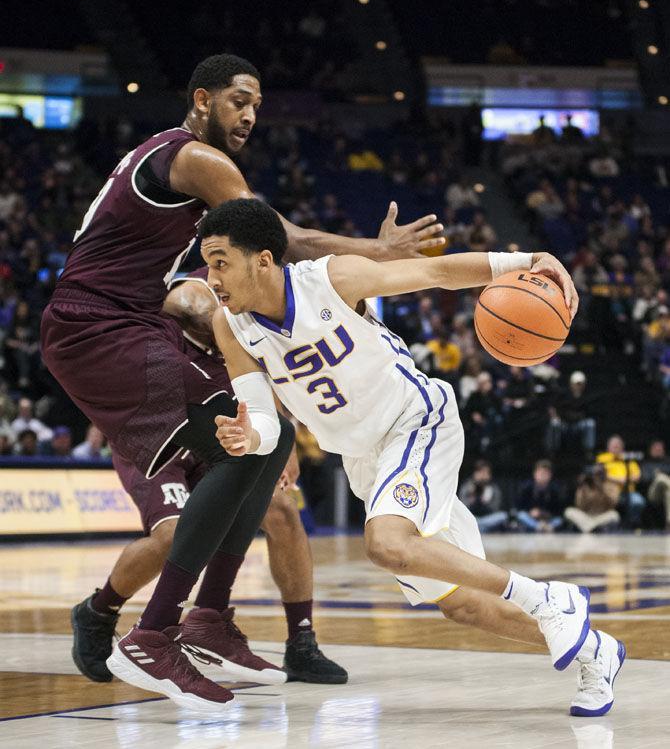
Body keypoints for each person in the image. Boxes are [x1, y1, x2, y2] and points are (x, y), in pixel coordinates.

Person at [41, 54, 442, 715]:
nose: (251, 114)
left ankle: (206, 620)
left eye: (257, 104)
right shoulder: (196, 158)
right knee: (245, 444)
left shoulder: (178, 168)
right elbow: (278, 237)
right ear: (202, 99)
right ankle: (154, 632)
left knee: (266, 436)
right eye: (239, 100)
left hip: (123, 325)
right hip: (99, 327)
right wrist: (377, 254)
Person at [203, 197, 625, 718]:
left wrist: (526, 260)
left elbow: (435, 271)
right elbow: (264, 417)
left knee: (386, 542)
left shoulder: (329, 279)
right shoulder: (230, 325)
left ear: (262, 260)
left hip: (417, 420)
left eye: (221, 262)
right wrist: (252, 437)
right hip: (364, 460)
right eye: (207, 264)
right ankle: (595, 651)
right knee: (462, 603)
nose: (212, 277)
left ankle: (548, 598)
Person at [71, 274, 346, 686]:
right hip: (158, 439)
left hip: (219, 437)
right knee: (174, 535)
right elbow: (189, 303)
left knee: (283, 511)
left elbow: (265, 382)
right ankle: (99, 610)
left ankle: (300, 641)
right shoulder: (193, 293)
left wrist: (283, 441)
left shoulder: (248, 321)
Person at [596, 435, 645, 528]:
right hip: (609, 492)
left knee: (638, 502)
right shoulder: (602, 459)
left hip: (629, 492)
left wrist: (622, 480)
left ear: (622, 447)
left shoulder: (629, 460)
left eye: (618, 445)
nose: (616, 447)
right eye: (613, 445)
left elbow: (637, 477)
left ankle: (630, 526)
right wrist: (619, 479)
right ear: (608, 447)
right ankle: (606, 526)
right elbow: (600, 476)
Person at [564, 466, 620, 534]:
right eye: (595, 474)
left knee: (614, 514)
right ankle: (592, 528)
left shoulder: (611, 485)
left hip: (602, 516)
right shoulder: (585, 485)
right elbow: (579, 506)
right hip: (587, 516)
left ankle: (588, 528)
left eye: (599, 474)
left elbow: (613, 504)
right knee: (569, 511)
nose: (596, 477)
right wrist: (582, 487)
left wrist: (602, 489)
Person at [458, 460, 508, 533]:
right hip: (472, 518)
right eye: (480, 472)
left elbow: (495, 508)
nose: (482, 475)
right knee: (460, 518)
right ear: (474, 473)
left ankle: (478, 528)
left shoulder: (493, 488)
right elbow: (462, 507)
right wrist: (472, 498)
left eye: (485, 472)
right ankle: (481, 529)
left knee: (503, 516)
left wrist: (484, 502)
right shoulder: (467, 486)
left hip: (487, 518)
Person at [516, 460, 565, 533]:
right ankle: (538, 527)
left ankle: (549, 527)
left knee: (559, 520)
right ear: (534, 474)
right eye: (540, 473)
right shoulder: (526, 488)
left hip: (549, 518)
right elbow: (519, 507)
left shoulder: (556, 490)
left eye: (545, 473)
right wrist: (530, 512)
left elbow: (559, 510)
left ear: (550, 475)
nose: (542, 475)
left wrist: (546, 514)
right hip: (531, 518)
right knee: (521, 515)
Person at [640, 439, 670, 529]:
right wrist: (657, 476)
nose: (658, 450)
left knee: (668, 492)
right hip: (652, 494)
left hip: (666, 493)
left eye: (660, 449)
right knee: (661, 478)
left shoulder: (668, 462)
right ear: (651, 450)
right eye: (655, 449)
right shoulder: (645, 463)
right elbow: (644, 480)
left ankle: (669, 522)